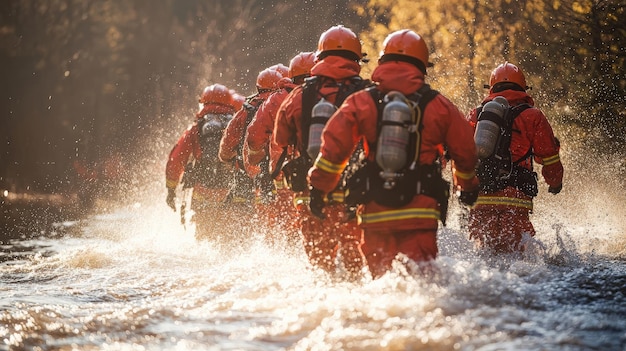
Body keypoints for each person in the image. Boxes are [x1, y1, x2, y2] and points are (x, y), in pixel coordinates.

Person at [308, 29, 479, 279]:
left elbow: (333, 148)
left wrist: (319, 188)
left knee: (381, 283)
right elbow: (465, 151)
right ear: (422, 64)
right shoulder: (439, 105)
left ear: (382, 62)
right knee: (420, 284)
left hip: (375, 211)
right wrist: (467, 186)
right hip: (420, 214)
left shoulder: (361, 102)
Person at [274, 25, 370, 280]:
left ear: (320, 56)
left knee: (320, 267)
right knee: (355, 266)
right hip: (354, 191)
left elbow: (279, 138)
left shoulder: (297, 96)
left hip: (310, 191)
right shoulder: (368, 94)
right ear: (356, 58)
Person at [466, 62, 564, 254]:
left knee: (483, 256)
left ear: (491, 87)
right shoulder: (533, 116)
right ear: (523, 88)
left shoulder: (477, 114)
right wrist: (555, 182)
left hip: (481, 198)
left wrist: (463, 189)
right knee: (516, 258)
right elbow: (549, 156)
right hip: (515, 200)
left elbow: (462, 153)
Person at [243, 52, 316, 245]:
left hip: (285, 174)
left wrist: (255, 162)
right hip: (326, 172)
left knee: (283, 224)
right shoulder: (335, 91)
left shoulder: (278, 99)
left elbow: (254, 136)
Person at [165, 84, 236, 240]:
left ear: (203, 102)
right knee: (227, 236)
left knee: (203, 235)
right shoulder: (236, 124)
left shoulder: (196, 128)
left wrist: (171, 188)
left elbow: (176, 158)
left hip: (202, 191)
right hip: (230, 191)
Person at [219, 67, 284, 217]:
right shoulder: (284, 104)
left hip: (247, 174)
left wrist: (227, 158)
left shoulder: (246, 110)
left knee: (246, 217)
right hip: (276, 173)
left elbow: (228, 141)